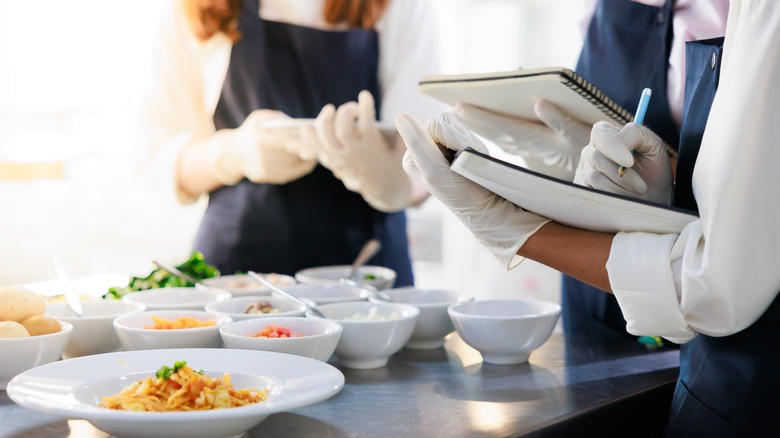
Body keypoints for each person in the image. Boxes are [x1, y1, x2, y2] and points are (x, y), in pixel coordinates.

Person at [399, 0, 780, 434]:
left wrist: (508, 224)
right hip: (623, 310)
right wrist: (650, 200)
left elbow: (714, 288)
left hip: (744, 385)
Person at [450, 0, 728, 342]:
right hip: (589, 283)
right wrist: (560, 161)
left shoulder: (747, 15)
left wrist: (666, 180)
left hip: (685, 275)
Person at [134, 0, 443, 286]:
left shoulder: (403, 6)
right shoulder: (201, 7)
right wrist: (233, 155)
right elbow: (158, 156)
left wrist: (392, 182)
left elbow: (429, 157)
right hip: (236, 279)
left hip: (366, 279)